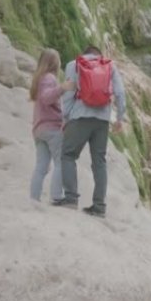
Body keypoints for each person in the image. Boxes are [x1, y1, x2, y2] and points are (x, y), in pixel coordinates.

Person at [53, 45, 126, 218]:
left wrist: (65, 118)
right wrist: (120, 118)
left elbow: (69, 94)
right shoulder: (110, 66)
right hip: (102, 120)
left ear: (85, 53)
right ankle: (99, 206)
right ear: (99, 55)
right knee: (99, 162)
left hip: (80, 117)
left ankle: (71, 198)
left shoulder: (74, 64)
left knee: (68, 155)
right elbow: (120, 93)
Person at [29, 49, 75, 202]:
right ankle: (56, 197)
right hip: (51, 128)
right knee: (60, 162)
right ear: (54, 63)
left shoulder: (39, 78)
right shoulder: (49, 78)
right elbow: (47, 97)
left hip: (38, 129)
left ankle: (34, 198)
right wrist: (63, 87)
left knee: (41, 166)